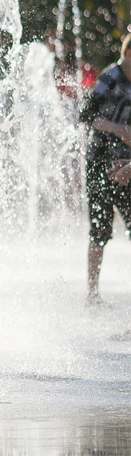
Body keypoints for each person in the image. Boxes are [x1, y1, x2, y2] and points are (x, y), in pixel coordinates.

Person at [79, 33, 131, 305]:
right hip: (101, 164)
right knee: (99, 231)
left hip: (129, 167)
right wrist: (116, 129)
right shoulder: (109, 79)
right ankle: (92, 293)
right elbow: (85, 115)